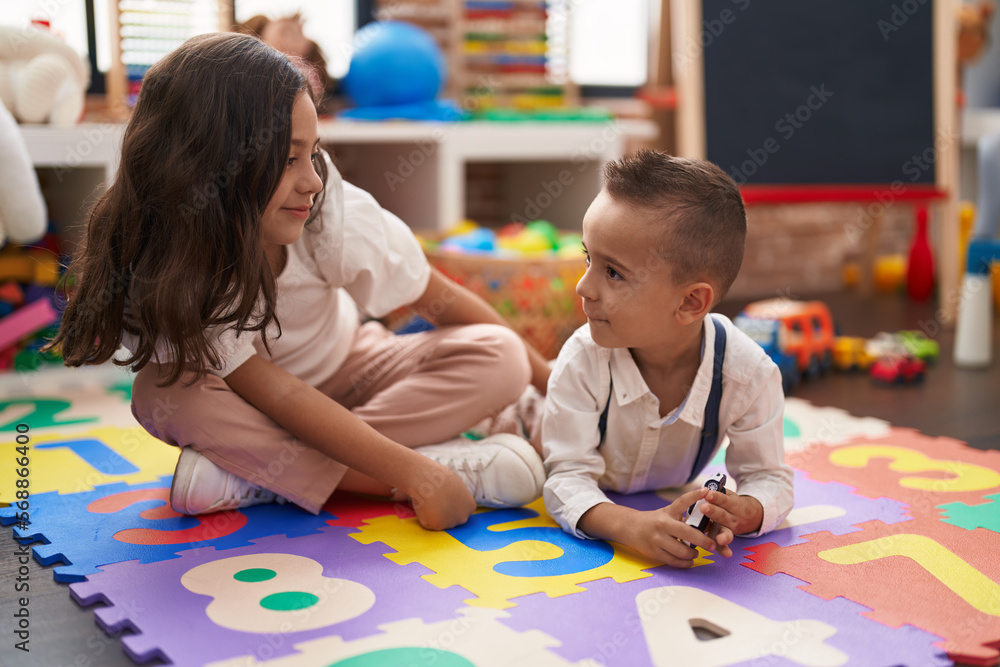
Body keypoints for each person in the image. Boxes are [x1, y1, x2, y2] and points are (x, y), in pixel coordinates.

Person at [50, 32, 551, 532]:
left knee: (500, 353)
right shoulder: (174, 257)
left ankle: (258, 478)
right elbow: (279, 396)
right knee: (163, 393)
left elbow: (434, 295)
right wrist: (415, 474)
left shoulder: (329, 207)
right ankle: (390, 470)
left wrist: (552, 380)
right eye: (289, 158)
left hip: (353, 371)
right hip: (247, 406)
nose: (311, 179)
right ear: (211, 165)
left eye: (313, 153)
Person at [541, 150, 794, 567]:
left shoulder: (747, 374)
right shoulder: (584, 357)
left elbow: (770, 478)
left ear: (691, 302)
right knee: (513, 474)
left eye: (613, 273)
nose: (583, 287)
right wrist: (631, 526)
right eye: (589, 259)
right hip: (532, 426)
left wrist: (747, 511)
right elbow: (565, 477)